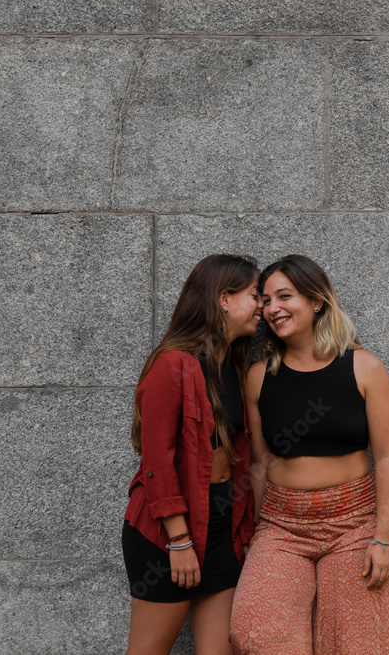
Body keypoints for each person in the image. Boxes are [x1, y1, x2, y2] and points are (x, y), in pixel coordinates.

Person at [229, 255, 389, 655]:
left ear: (317, 301)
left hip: (352, 524)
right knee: (254, 633)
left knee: (360, 643)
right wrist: (255, 533)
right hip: (281, 525)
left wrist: (383, 538)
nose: (273, 308)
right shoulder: (259, 375)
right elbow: (260, 462)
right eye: (265, 300)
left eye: (285, 295)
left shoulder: (365, 369)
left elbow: (388, 458)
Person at [122, 254, 262, 655]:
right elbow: (157, 463)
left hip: (219, 524)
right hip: (166, 533)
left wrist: (245, 529)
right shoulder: (171, 365)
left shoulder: (231, 366)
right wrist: (179, 541)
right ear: (223, 299)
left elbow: (242, 456)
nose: (263, 307)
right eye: (255, 295)